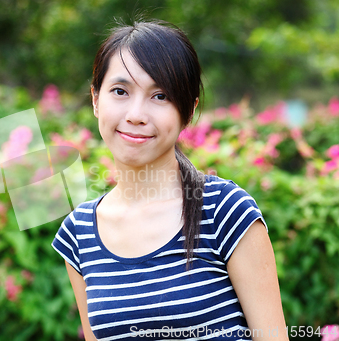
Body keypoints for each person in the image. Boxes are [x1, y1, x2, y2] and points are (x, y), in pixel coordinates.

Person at [52, 19, 288, 341]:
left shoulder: (224, 211)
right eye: (120, 91)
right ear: (96, 99)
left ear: (187, 112)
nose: (136, 114)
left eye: (160, 96)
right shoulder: (79, 232)